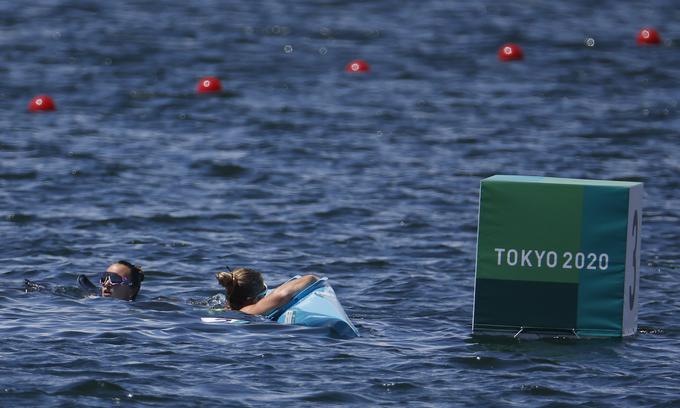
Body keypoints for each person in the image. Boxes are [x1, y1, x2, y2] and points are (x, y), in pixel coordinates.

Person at [216, 267, 318, 315]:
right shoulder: (248, 311)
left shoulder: (227, 308)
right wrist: (312, 278)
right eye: (263, 295)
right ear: (252, 299)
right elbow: (282, 295)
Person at [78, 260, 144, 301]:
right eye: (105, 278)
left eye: (114, 279)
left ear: (131, 290)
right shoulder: (93, 298)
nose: (106, 284)